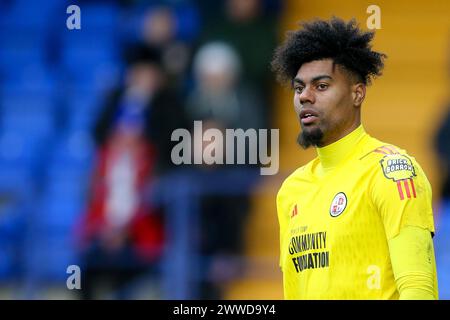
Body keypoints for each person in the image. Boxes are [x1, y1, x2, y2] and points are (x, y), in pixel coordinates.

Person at [271, 17, 438, 299]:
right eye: (299, 88)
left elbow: (418, 289)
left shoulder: (391, 171)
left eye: (321, 86)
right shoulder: (290, 191)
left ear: (357, 93)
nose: (305, 97)